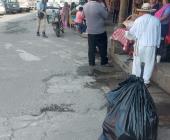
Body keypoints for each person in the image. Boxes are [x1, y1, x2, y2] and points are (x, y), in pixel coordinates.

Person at [125, 3, 161, 86]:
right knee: (149, 63)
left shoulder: (138, 20)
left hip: (140, 44)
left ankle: (136, 79)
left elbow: (131, 33)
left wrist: (128, 34)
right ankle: (146, 81)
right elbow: (158, 34)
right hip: (151, 45)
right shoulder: (156, 20)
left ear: (142, 11)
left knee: (137, 62)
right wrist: (157, 44)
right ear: (150, 11)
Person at [83, 0, 109, 75]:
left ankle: (91, 66)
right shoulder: (99, 6)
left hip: (90, 31)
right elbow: (106, 16)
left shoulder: (85, 6)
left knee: (91, 49)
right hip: (100, 31)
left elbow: (83, 16)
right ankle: (104, 62)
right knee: (103, 47)